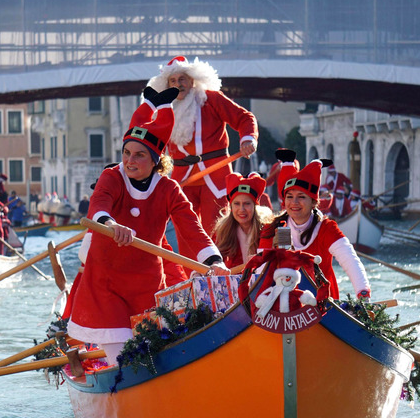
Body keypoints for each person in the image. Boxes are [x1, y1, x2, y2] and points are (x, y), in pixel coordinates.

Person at [66, 86, 229, 363]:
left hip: (147, 286)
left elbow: (192, 228)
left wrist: (214, 260)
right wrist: (111, 224)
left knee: (155, 353)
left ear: (156, 161)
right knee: (127, 358)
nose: (129, 160)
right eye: (126, 152)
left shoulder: (168, 188)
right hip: (106, 284)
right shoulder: (111, 176)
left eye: (139, 155)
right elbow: (99, 206)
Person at [145, 56, 258, 254]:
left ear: (192, 81)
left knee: (216, 228)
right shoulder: (164, 110)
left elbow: (244, 118)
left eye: (182, 79)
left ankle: (218, 275)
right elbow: (155, 144)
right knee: (184, 229)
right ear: (167, 84)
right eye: (173, 81)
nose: (178, 84)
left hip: (216, 176)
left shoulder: (211, 99)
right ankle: (191, 278)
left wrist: (248, 139)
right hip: (182, 179)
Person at [258, 150, 371, 301]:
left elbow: (350, 260)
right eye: (290, 197)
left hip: (323, 305)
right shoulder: (272, 229)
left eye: (301, 197)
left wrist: (363, 292)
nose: (294, 203)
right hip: (283, 307)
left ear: (313, 202)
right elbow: (260, 271)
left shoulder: (326, 228)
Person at [212, 172, 273, 269]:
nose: (242, 209)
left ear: (255, 206)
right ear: (231, 206)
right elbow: (212, 260)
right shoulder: (221, 231)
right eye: (237, 204)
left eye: (247, 204)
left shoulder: (268, 228)